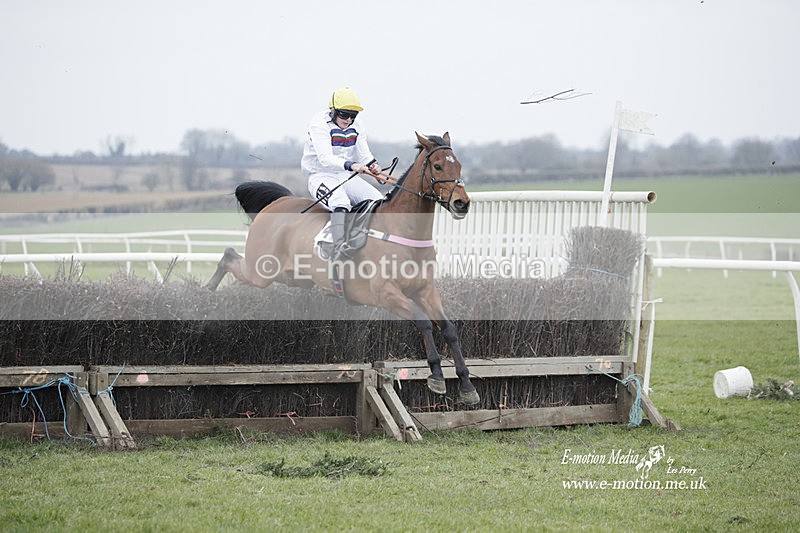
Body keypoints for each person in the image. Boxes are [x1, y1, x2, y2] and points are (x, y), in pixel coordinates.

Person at [301, 87, 383, 260]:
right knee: (341, 202)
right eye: (344, 115)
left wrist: (373, 165)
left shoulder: (357, 125)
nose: (349, 120)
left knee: (378, 201)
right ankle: (338, 247)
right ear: (333, 111)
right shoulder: (319, 124)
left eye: (353, 115)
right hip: (320, 175)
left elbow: (364, 154)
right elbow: (325, 159)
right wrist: (352, 165)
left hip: (345, 176)